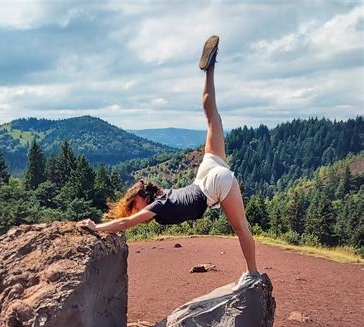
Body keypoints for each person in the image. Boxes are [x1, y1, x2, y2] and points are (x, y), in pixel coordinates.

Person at [77, 35, 260, 291]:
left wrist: (97, 227)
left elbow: (126, 223)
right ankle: (210, 69)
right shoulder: (164, 199)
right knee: (212, 118)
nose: (135, 210)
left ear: (143, 196)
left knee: (242, 228)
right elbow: (127, 222)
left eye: (134, 203)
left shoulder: (159, 204)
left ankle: (253, 274)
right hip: (205, 173)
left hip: (214, 184)